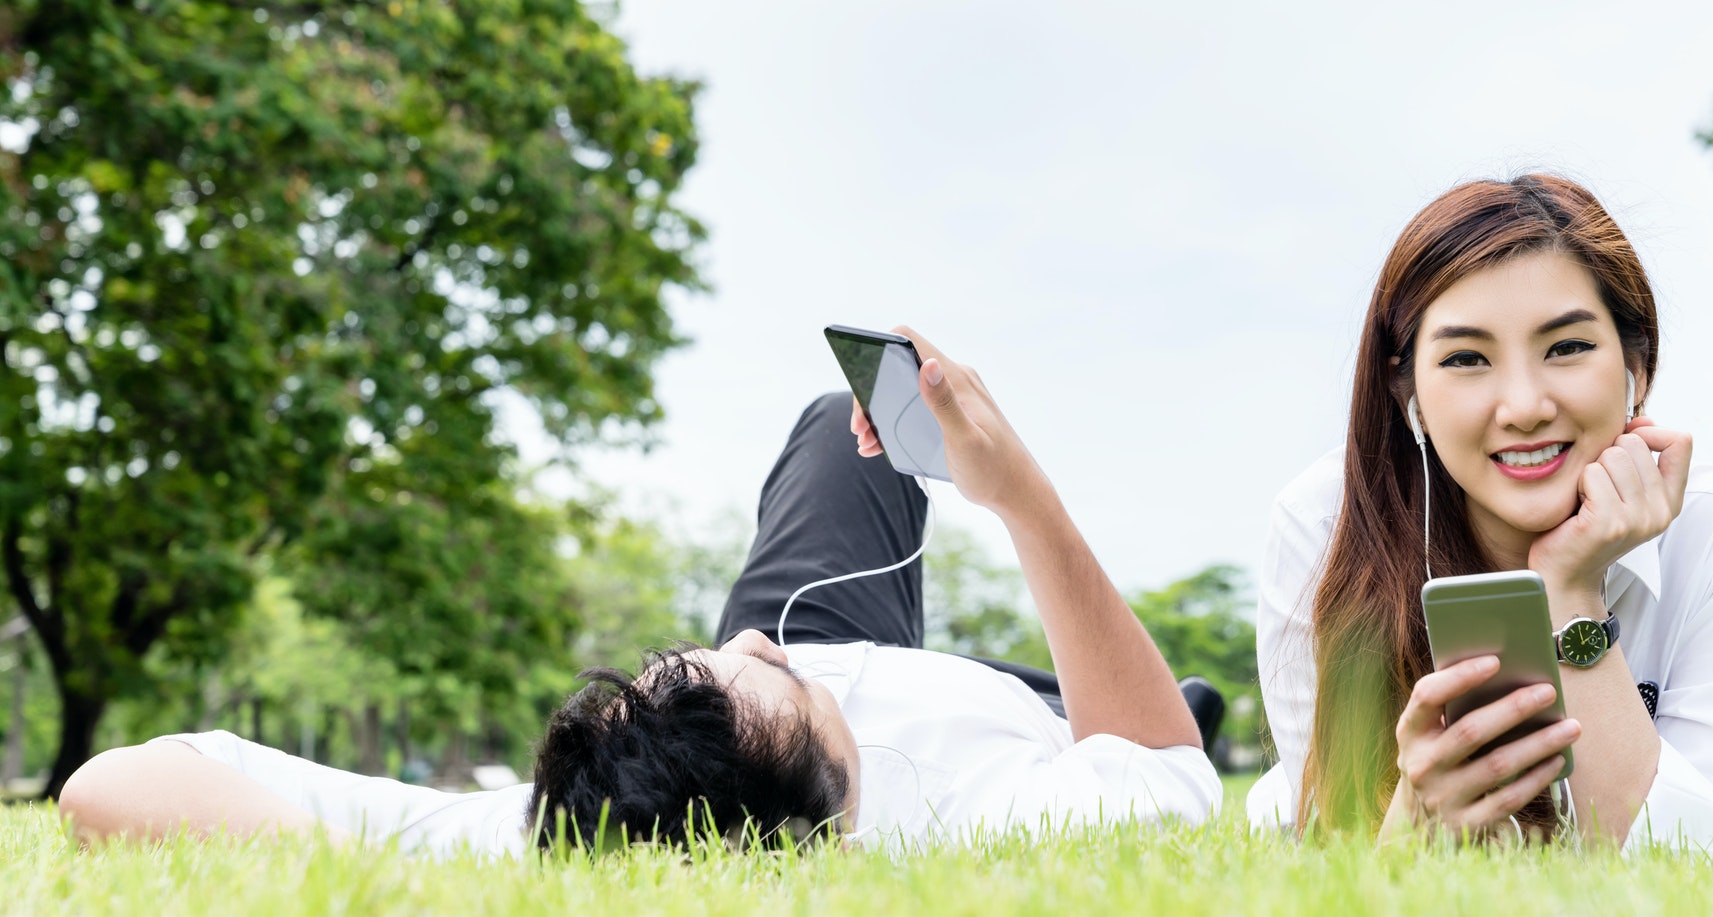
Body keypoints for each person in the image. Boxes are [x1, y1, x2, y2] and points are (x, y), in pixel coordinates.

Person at [59, 329, 1222, 853]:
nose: (762, 638)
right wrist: (1018, 496)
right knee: (1150, 709)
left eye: (700, 657)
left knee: (839, 428)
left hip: (797, 675)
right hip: (1023, 718)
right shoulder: (1017, 820)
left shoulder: (545, 829)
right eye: (772, 673)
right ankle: (1123, 690)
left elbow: (109, 788)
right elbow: (1165, 770)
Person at [1248, 175, 1713, 852]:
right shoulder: (1324, 523)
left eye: (1566, 347)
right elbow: (1336, 865)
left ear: (1638, 363)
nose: (1525, 405)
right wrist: (1419, 818)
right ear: (1407, 388)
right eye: (1466, 358)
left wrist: (1570, 593)